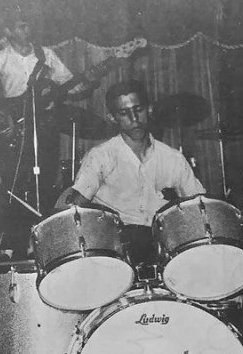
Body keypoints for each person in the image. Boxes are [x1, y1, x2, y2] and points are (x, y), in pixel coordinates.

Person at [0, 11, 97, 256]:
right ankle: (16, 244)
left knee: (47, 178)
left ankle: (46, 241)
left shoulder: (45, 55)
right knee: (15, 180)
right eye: (21, 26)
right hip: (14, 128)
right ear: (8, 32)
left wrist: (89, 82)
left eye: (28, 25)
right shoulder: (1, 58)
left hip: (44, 126)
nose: (27, 29)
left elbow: (68, 84)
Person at [64, 80, 205, 265]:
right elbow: (75, 206)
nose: (134, 118)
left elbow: (200, 206)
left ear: (149, 110)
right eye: (124, 113)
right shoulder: (101, 156)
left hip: (163, 247)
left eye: (138, 109)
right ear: (113, 118)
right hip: (116, 249)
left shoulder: (173, 158)